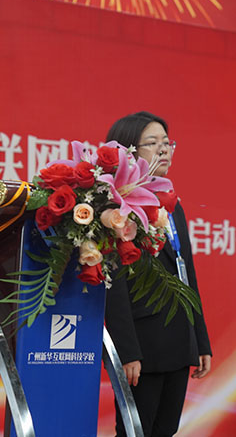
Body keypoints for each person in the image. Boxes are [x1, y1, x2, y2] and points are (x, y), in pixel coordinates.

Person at [104, 111, 212, 437]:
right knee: (135, 431)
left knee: (166, 430)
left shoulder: (173, 205)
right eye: (152, 143)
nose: (164, 150)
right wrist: (126, 351)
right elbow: (113, 284)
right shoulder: (115, 206)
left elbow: (186, 274)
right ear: (129, 151)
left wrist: (200, 340)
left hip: (179, 342)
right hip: (143, 348)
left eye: (167, 143)